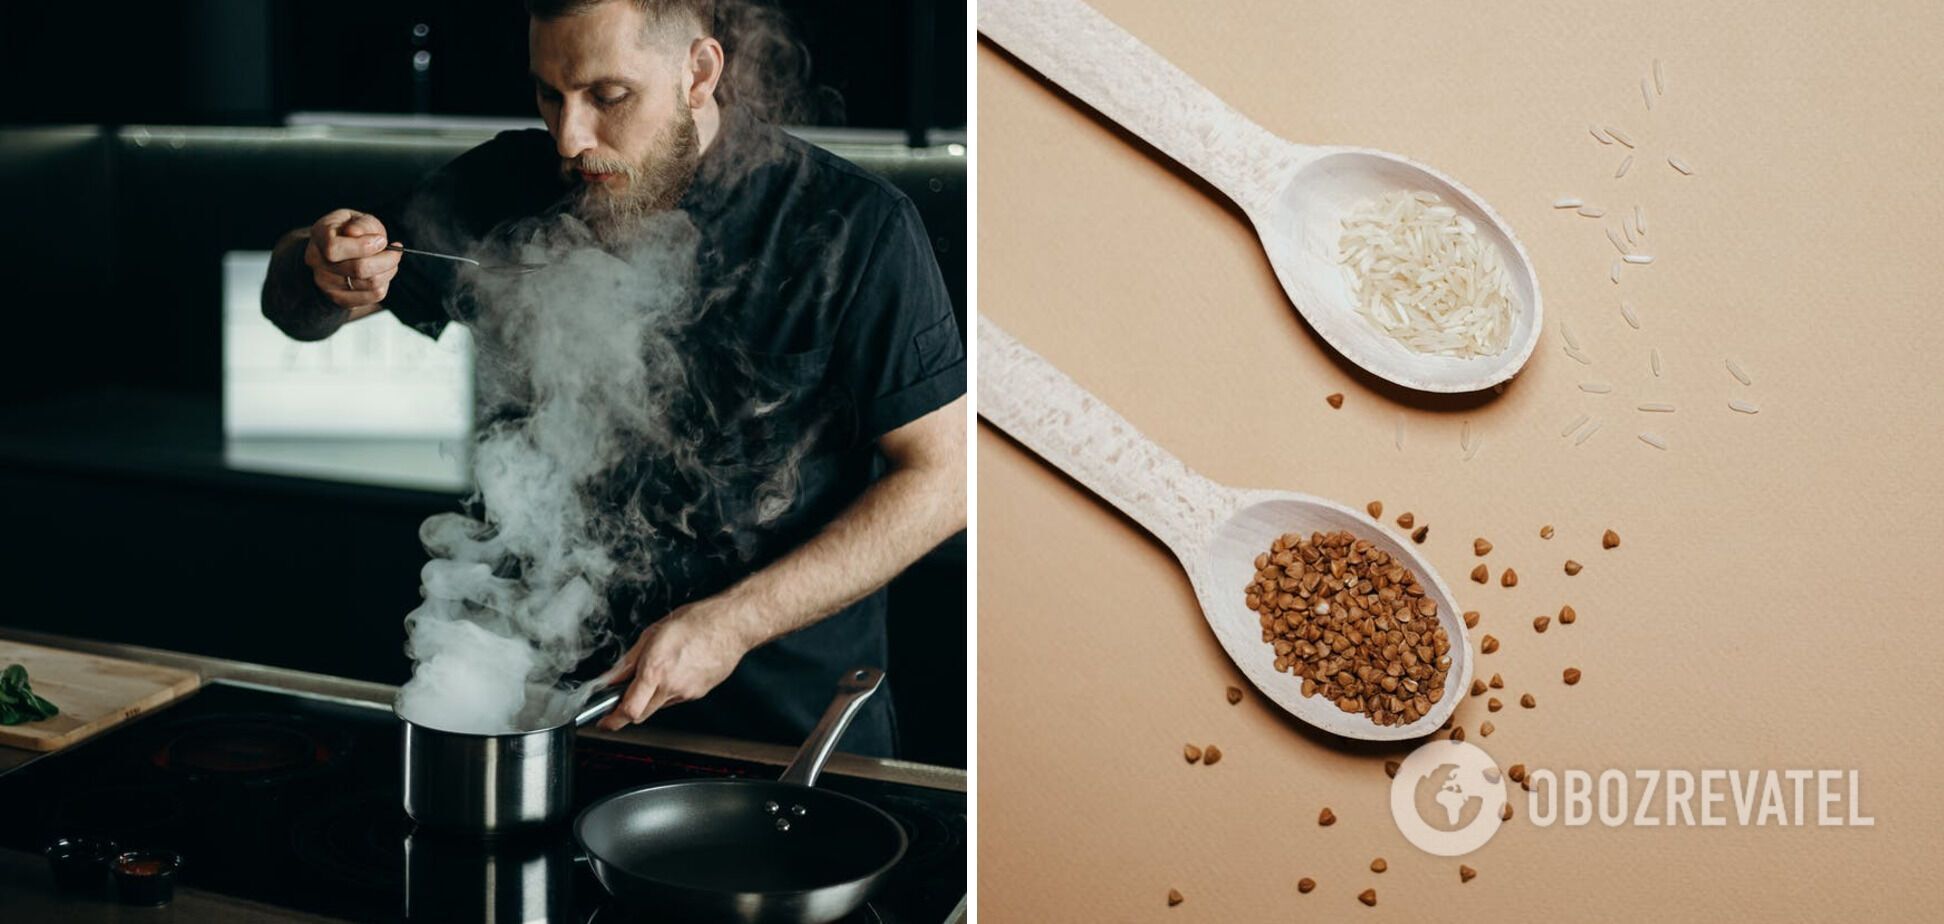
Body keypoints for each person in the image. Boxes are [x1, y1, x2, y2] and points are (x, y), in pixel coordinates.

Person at [259, 0, 964, 758]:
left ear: (698, 72)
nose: (570, 137)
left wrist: (732, 622)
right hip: (547, 717)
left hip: (785, 739)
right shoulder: (506, 184)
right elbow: (293, 310)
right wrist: (320, 266)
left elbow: (946, 479)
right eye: (548, 94)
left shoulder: (851, 226)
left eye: (608, 96)